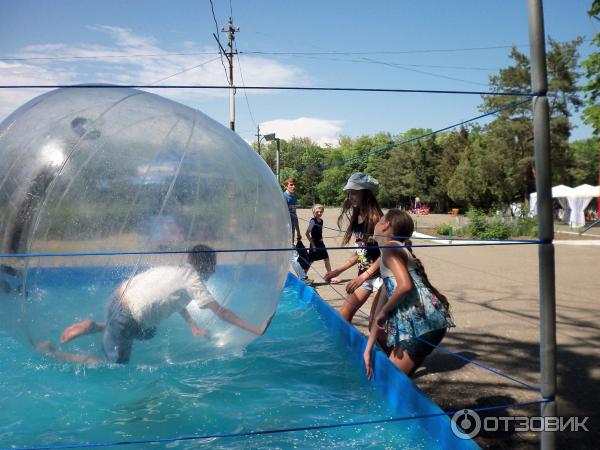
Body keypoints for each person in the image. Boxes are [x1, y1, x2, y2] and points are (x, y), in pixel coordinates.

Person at [39, 244, 274, 364]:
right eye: (213, 265)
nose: (213, 270)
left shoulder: (177, 271)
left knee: (149, 332)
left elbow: (172, 298)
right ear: (206, 265)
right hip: (126, 319)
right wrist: (257, 329)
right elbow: (221, 312)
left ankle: (96, 326)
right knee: (112, 367)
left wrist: (192, 325)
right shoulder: (195, 282)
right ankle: (55, 353)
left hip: (116, 299)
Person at [363, 209, 454, 378]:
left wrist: (384, 312)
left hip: (423, 326)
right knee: (397, 379)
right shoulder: (390, 254)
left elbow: (404, 285)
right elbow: (378, 315)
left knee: (389, 381)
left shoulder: (390, 248)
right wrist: (368, 349)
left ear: (386, 225)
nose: (375, 223)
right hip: (426, 324)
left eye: (380, 219)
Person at [324, 173, 383, 322]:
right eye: (349, 192)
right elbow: (360, 253)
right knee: (343, 316)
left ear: (366, 194)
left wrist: (363, 276)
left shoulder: (378, 221)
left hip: (383, 278)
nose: (350, 196)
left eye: (354, 192)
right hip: (366, 275)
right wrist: (336, 271)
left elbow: (387, 255)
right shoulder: (357, 218)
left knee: (376, 323)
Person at [282, 176, 313, 285]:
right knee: (293, 255)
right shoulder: (283, 197)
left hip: (292, 230)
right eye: (291, 184)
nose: (293, 186)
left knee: (288, 254)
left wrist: (298, 232)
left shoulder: (294, 198)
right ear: (285, 186)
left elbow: (294, 216)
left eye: (294, 184)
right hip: (284, 230)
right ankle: (303, 278)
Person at [305, 204, 339, 283]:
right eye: (317, 212)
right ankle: (303, 277)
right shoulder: (313, 221)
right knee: (310, 261)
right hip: (314, 243)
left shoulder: (321, 221)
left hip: (321, 243)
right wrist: (312, 244)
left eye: (321, 212)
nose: (319, 213)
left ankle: (330, 277)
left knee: (326, 258)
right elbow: (307, 233)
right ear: (314, 212)